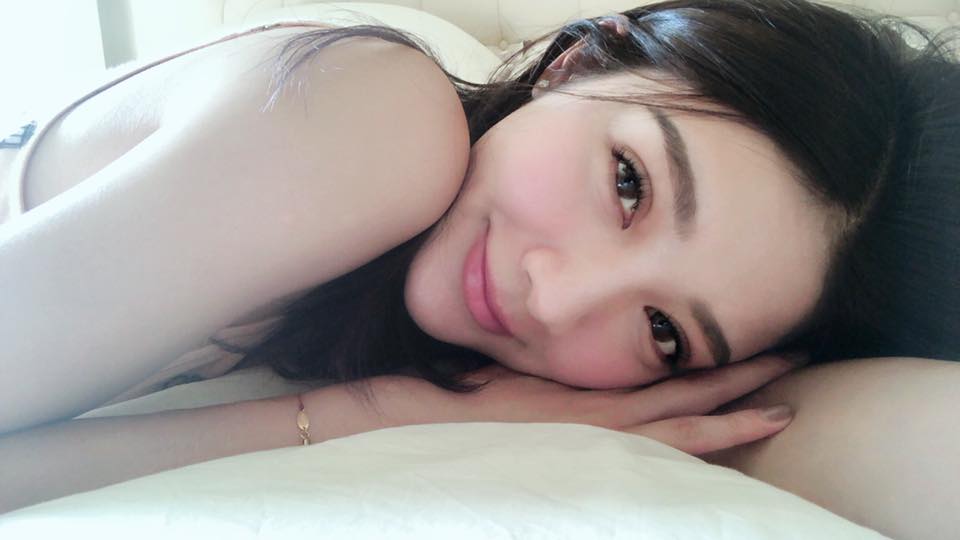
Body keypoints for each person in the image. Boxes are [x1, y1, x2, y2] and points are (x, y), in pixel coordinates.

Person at [0, 0, 957, 534]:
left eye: (664, 331)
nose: (558, 296)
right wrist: (373, 417)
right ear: (575, 64)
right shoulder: (374, 119)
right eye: (629, 183)